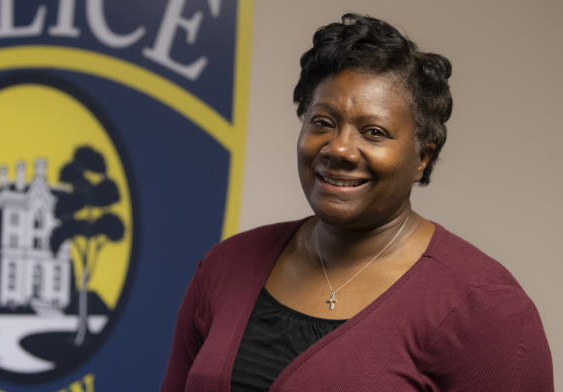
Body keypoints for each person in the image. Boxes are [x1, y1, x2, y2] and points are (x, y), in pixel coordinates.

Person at [161, 14, 553, 391]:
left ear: (422, 158)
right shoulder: (225, 267)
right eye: (323, 122)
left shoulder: (486, 310)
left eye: (374, 132)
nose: (340, 149)